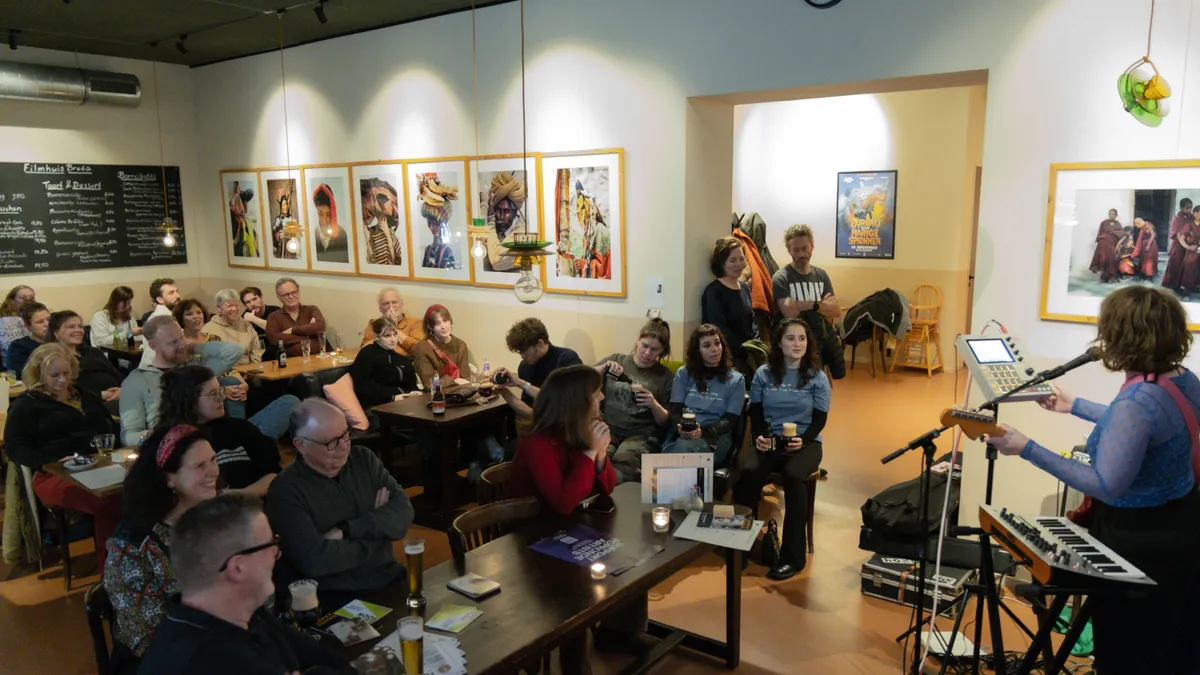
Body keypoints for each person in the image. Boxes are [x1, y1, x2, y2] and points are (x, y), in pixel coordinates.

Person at [985, 286, 1200, 674]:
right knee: (1170, 649)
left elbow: (1105, 484)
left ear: (1121, 336)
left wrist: (1027, 448)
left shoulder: (1138, 400)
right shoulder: (1183, 379)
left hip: (1138, 544)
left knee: (1128, 654)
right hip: (1181, 532)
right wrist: (1076, 406)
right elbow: (1146, 427)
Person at [137, 494, 355, 675]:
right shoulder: (209, 660)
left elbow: (324, 657)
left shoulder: (244, 615)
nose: (277, 554)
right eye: (270, 544)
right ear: (238, 567)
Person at [266, 399, 414, 603]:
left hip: (388, 577)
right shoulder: (285, 490)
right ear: (301, 445)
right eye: (332, 442)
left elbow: (404, 514)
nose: (344, 446)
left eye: (346, 434)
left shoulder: (363, 459)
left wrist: (347, 530)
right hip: (334, 595)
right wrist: (378, 538)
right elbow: (315, 560)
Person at [103, 424, 219, 663]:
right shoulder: (132, 546)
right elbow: (149, 639)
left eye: (213, 460)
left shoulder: (217, 516)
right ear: (168, 478)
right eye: (200, 466)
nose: (214, 472)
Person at [4, 344, 122, 567]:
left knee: (140, 489)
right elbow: (15, 448)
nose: (62, 380)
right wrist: (48, 462)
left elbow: (108, 426)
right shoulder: (28, 404)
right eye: (54, 375)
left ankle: (136, 560)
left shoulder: (82, 394)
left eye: (66, 373)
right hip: (55, 473)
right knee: (109, 502)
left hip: (97, 464)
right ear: (39, 373)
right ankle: (112, 570)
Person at [734, 318, 831, 581]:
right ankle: (740, 547)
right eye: (790, 338)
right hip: (772, 439)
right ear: (779, 343)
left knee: (794, 475)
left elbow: (820, 419)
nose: (797, 344)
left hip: (807, 442)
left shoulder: (817, 376)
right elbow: (756, 411)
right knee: (749, 473)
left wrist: (805, 440)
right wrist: (760, 437)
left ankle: (792, 558)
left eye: (802, 338)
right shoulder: (764, 374)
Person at [119, 316, 245, 447]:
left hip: (212, 438)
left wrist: (192, 347)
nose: (181, 344)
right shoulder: (137, 380)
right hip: (174, 446)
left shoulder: (196, 367)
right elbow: (129, 436)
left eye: (182, 337)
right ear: (153, 346)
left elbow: (235, 351)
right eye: (173, 342)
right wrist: (158, 435)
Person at [157, 366, 280, 495]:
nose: (222, 398)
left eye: (220, 391)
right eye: (213, 394)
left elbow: (273, 474)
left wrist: (239, 495)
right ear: (188, 400)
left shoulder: (240, 429)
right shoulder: (169, 442)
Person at [511, 364, 616, 514]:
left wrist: (600, 454)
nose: (602, 397)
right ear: (578, 402)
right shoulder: (536, 443)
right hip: (532, 521)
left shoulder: (586, 425)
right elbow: (563, 505)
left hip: (568, 518)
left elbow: (608, 488)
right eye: (597, 393)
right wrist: (591, 452)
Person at [595, 318, 674, 482]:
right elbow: (580, 378)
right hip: (609, 429)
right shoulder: (617, 360)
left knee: (621, 467)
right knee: (597, 461)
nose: (647, 353)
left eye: (654, 349)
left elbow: (665, 421)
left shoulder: (665, 377)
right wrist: (601, 369)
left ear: (662, 351)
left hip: (641, 435)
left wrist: (654, 404)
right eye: (645, 345)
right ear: (638, 341)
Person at [662, 324, 746, 467]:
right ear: (697, 351)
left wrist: (703, 432)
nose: (715, 349)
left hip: (714, 436)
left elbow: (730, 420)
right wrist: (680, 428)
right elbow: (676, 410)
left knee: (682, 450)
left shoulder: (736, 380)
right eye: (707, 345)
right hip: (684, 431)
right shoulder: (684, 374)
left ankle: (666, 473)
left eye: (717, 343)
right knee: (681, 445)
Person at [772, 224, 845, 380]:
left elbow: (836, 311)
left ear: (812, 246)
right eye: (796, 250)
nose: (801, 254)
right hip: (793, 346)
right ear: (789, 250)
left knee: (818, 383)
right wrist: (818, 305)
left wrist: (800, 304)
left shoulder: (821, 276)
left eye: (805, 248)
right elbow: (789, 312)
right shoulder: (781, 277)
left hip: (819, 341)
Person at [494, 317, 583, 433]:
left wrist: (521, 383)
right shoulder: (525, 366)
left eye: (524, 351)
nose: (522, 356)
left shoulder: (566, 359)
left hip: (565, 430)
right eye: (520, 352)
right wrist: (506, 394)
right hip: (538, 427)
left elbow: (563, 404)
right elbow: (530, 413)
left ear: (540, 344)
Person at [702, 237, 759, 380]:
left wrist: (756, 346)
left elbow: (751, 319)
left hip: (748, 357)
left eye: (741, 259)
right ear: (722, 264)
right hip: (726, 359)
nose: (738, 264)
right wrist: (743, 350)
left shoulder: (744, 287)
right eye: (733, 260)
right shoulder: (714, 291)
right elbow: (719, 328)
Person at [46, 310, 123, 407]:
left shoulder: (93, 352)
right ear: (56, 333)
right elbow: (65, 390)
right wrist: (102, 395)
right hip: (88, 404)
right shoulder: (54, 358)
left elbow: (117, 375)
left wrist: (122, 390)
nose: (78, 330)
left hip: (119, 396)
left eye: (80, 326)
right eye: (71, 327)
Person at [349, 317, 418, 409]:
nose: (393, 340)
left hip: (405, 403)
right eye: (387, 336)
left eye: (395, 334)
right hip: (378, 406)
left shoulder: (402, 359)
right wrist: (392, 398)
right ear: (376, 337)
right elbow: (363, 388)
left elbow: (412, 384)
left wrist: (415, 392)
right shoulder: (367, 354)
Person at [412, 304, 471, 389]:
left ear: (450, 322)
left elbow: (466, 378)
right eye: (437, 324)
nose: (443, 327)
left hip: (460, 391)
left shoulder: (461, 345)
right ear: (430, 327)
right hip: (436, 394)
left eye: (445, 321)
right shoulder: (422, 347)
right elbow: (430, 383)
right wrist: (455, 381)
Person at [265, 277, 326, 358]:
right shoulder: (274, 317)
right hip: (289, 361)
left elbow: (320, 327)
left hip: (317, 358)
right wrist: (309, 335)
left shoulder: (311, 309)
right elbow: (275, 339)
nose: (291, 296)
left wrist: (292, 330)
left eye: (294, 292)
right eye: (286, 294)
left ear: (298, 291)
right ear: (279, 297)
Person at [359, 287, 425, 357]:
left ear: (401, 304)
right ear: (380, 308)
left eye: (394, 302)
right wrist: (385, 326)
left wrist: (393, 326)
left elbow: (419, 350)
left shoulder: (416, 323)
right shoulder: (373, 324)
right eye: (386, 303)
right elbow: (364, 351)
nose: (391, 306)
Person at [481, 172, 526, 273]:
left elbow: (496, 261)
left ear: (515, 211)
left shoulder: (521, 234)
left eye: (506, 212)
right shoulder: (495, 231)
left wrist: (491, 221)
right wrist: (484, 205)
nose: (501, 217)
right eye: (497, 211)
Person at [203, 289, 262, 365]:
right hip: (225, 371)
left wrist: (254, 369)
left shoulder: (246, 325)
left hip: (250, 370)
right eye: (229, 306)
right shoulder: (209, 329)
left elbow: (256, 350)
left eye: (236, 305)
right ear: (219, 308)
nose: (234, 309)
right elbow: (210, 360)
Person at [416, 172, 459, 269]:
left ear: (444, 223)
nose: (433, 226)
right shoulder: (428, 250)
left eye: (437, 223)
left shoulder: (447, 251)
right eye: (430, 222)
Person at [139, 278, 182, 367]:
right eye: (171, 293)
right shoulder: (162, 319)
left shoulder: (168, 314)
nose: (177, 295)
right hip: (157, 370)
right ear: (160, 299)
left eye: (177, 291)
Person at [362, 178, 403, 266]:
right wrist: (367, 239)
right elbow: (370, 260)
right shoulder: (370, 232)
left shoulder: (390, 233)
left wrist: (387, 234)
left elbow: (396, 261)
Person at [6, 301, 51, 376]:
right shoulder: (18, 346)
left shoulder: (61, 341)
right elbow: (16, 374)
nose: (47, 324)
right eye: (40, 322)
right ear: (28, 326)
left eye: (49, 319)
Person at [312, 182, 349, 263]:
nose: (324, 220)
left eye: (328, 214)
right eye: (320, 214)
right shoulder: (312, 235)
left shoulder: (342, 234)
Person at [0, 284, 35, 362]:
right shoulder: (5, 321)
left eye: (31, 298)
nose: (28, 301)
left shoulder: (35, 317)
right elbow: (12, 348)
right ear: (12, 301)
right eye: (23, 298)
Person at [1089, 209, 1124, 283]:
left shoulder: (1118, 224)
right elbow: (1100, 232)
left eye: (1113, 214)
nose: (1111, 215)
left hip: (1112, 243)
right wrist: (1100, 239)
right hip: (1103, 243)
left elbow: (1121, 234)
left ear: (1116, 215)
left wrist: (1117, 240)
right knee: (1103, 258)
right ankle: (1103, 277)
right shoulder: (1103, 223)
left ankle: (1109, 276)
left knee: (1110, 259)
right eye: (1110, 214)